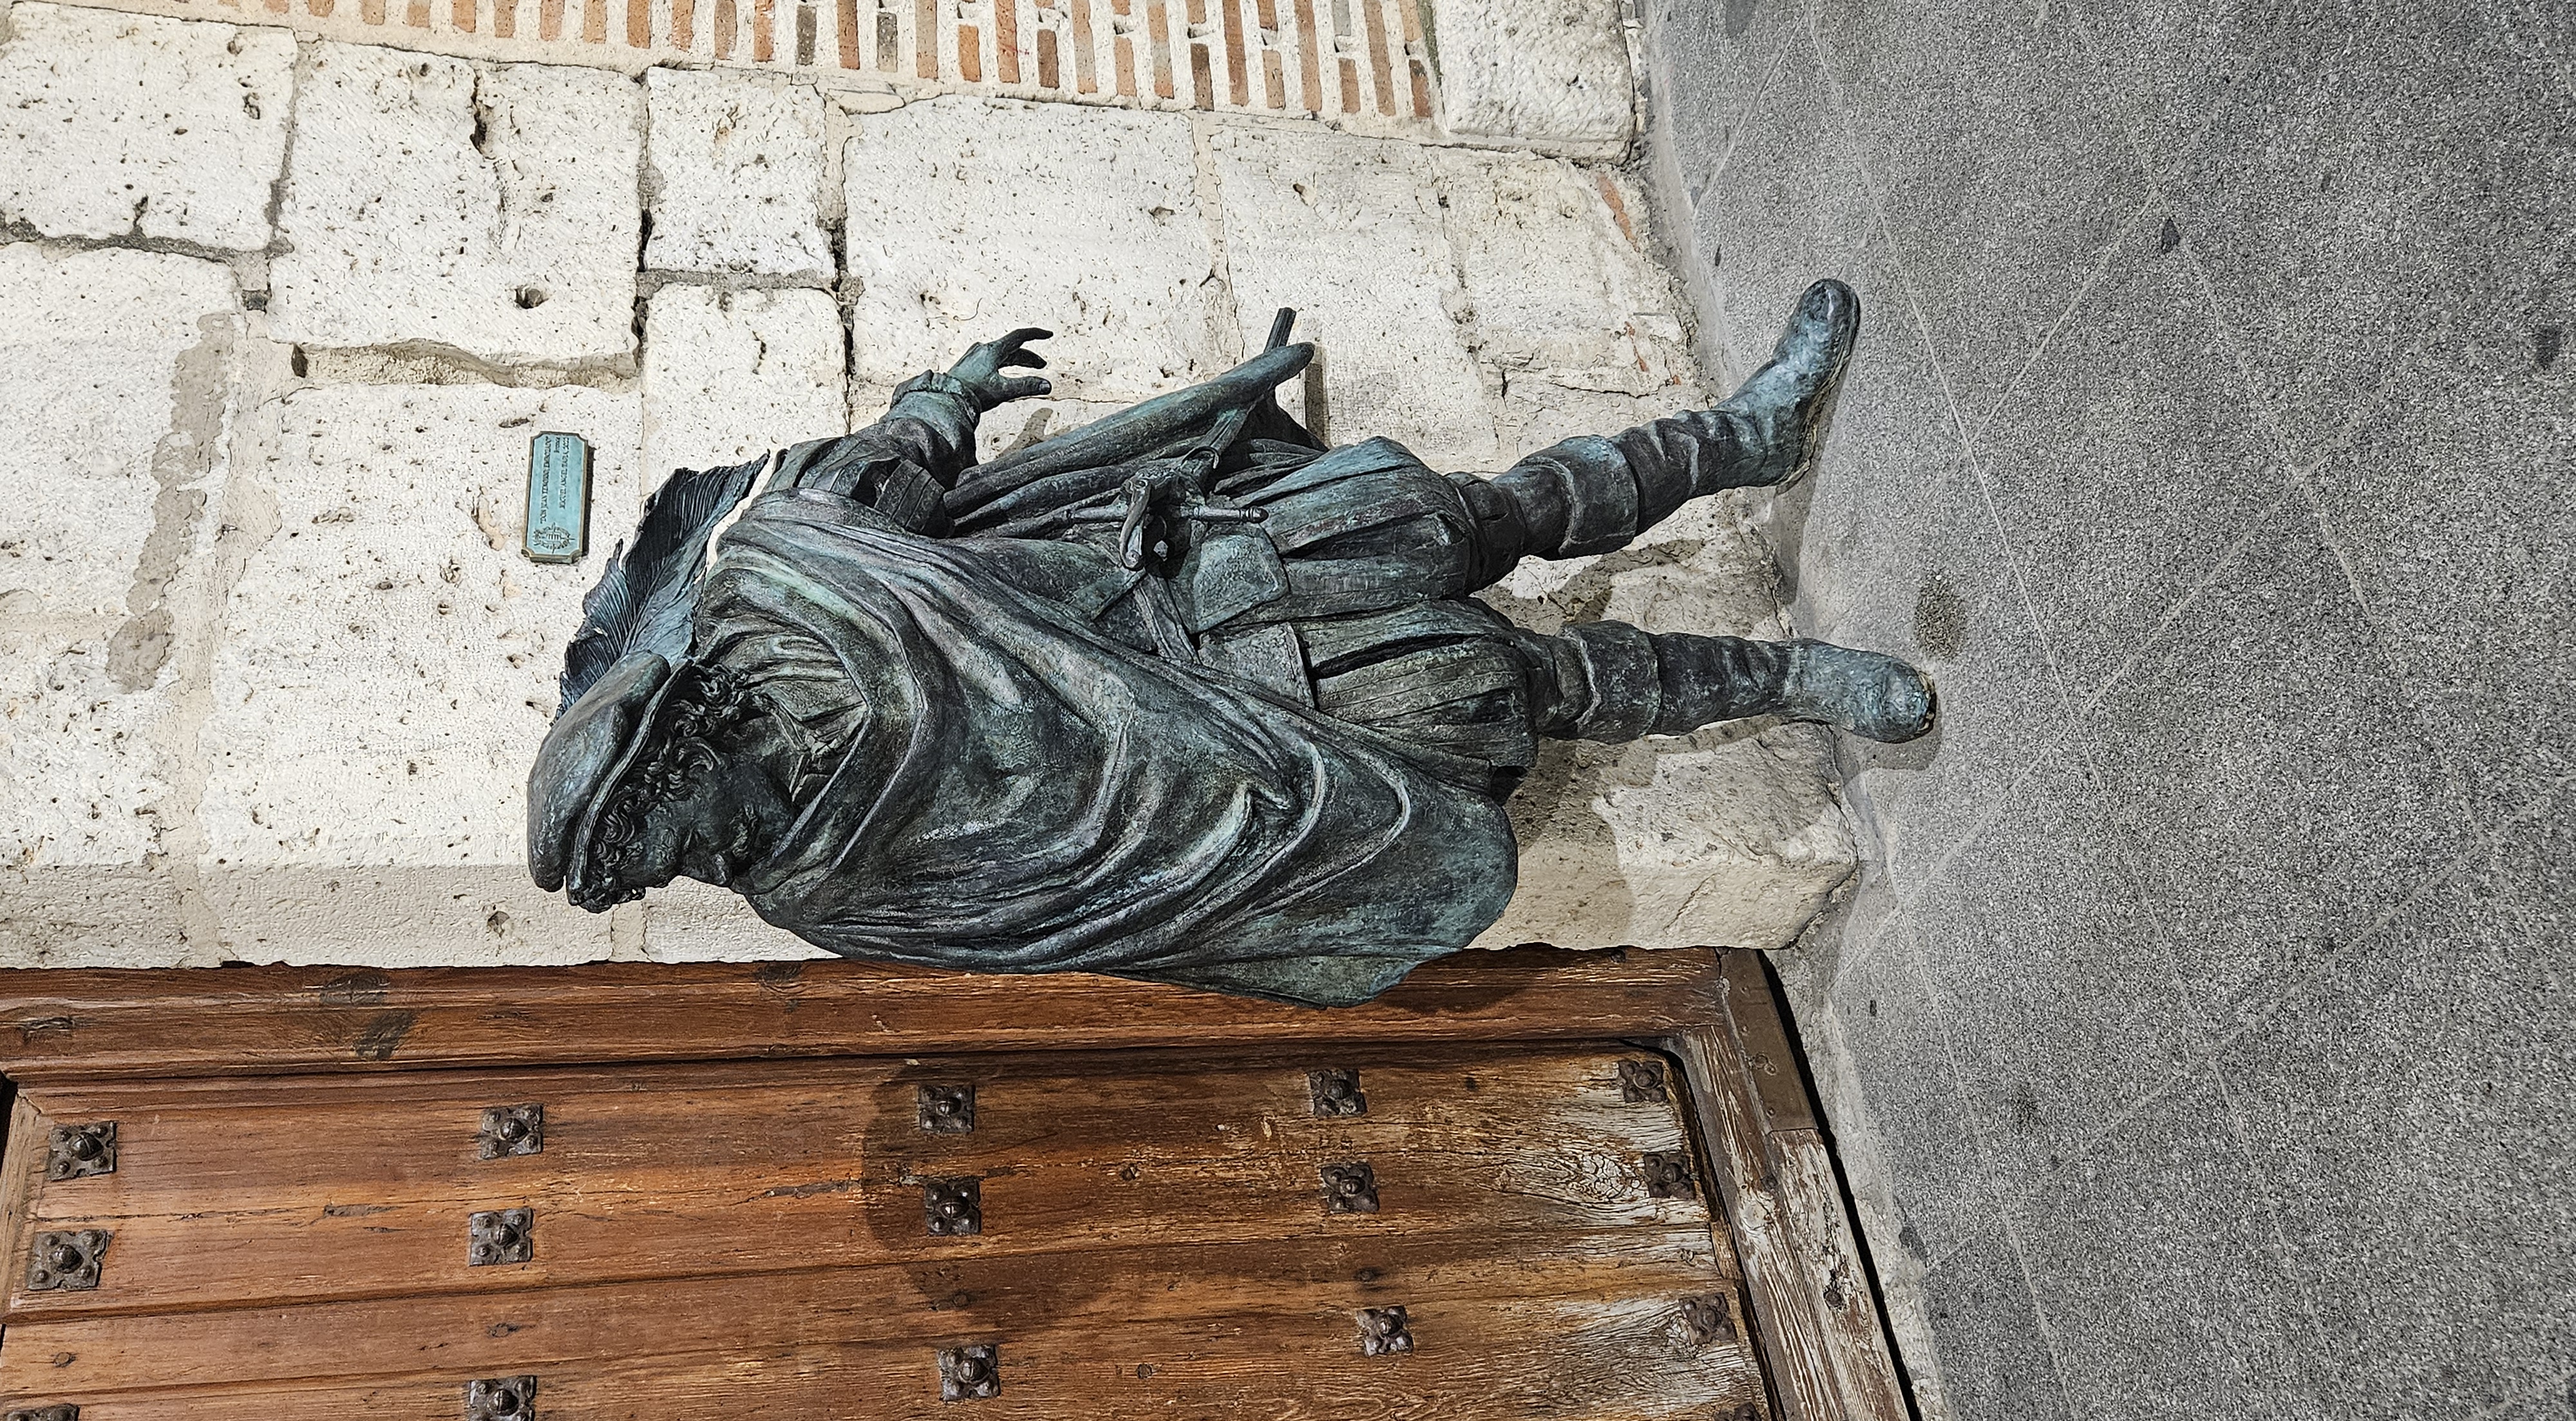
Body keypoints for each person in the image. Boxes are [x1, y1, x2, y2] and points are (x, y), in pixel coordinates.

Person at [527, 280, 1933, 1005]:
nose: (706, 864)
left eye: (677, 840)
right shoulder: (818, 891)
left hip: (1194, 574)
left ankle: (1739, 437)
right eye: (678, 871)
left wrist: (948, 393)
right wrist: (1255, 867)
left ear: (679, 744)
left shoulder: (777, 580)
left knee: (1487, 514)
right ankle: (1789, 682)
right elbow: (1064, 915)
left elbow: (883, 472)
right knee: (1532, 686)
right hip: (1251, 736)